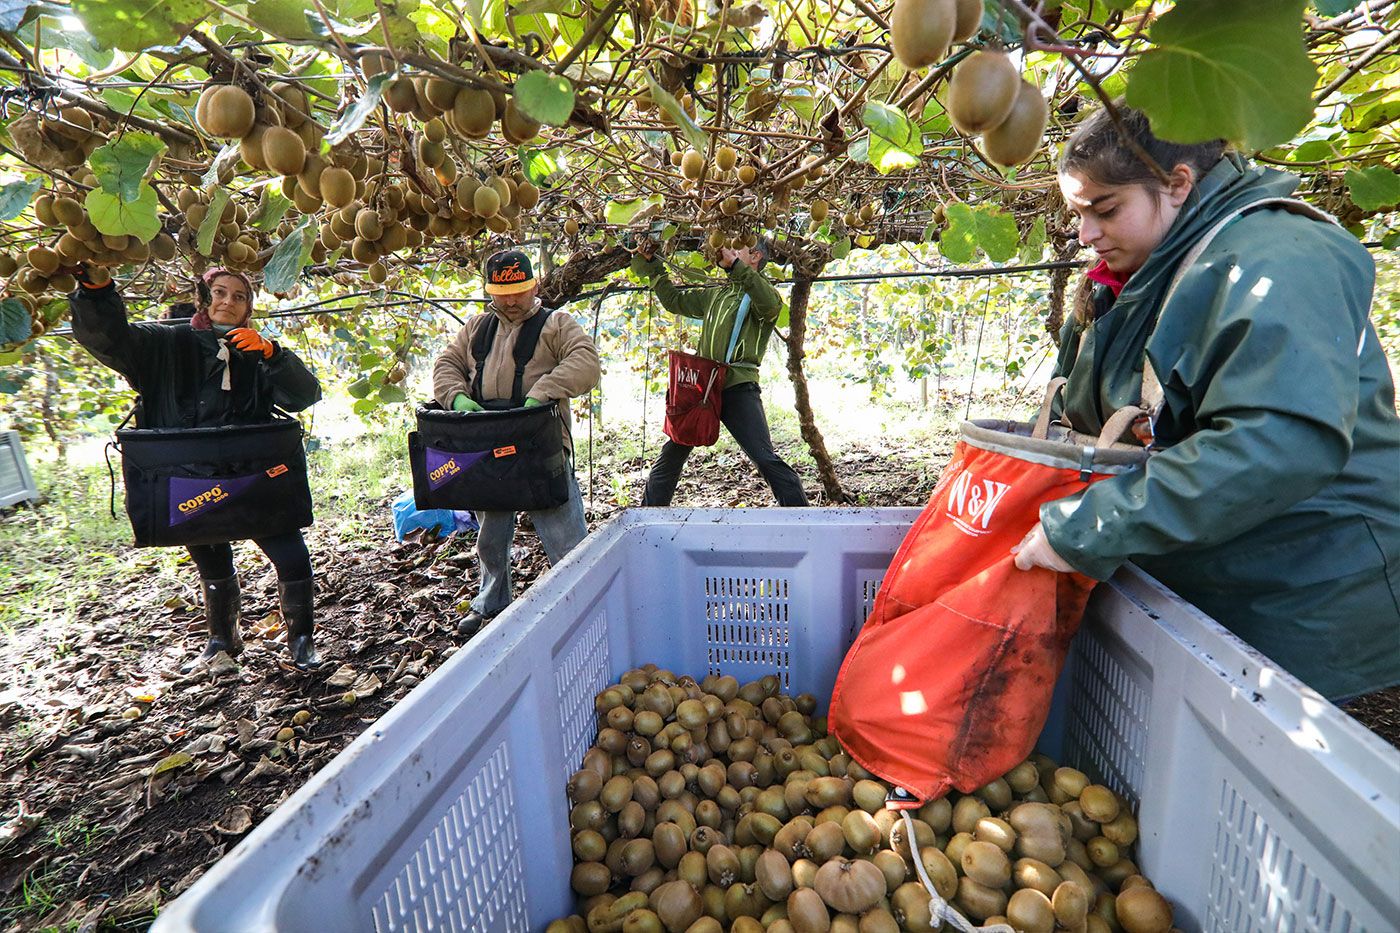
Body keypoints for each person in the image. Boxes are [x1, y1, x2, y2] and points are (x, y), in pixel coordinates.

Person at [1010, 104, 1400, 701]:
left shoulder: (1280, 262)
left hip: (1302, 584)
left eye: (1105, 210)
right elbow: (1092, 410)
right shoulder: (1136, 271)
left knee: (1265, 769)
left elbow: (1276, 446)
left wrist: (1095, 524)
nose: (1085, 235)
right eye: (1077, 214)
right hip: (1210, 565)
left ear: (1177, 184)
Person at [69, 266, 325, 672]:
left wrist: (274, 355)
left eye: (239, 296)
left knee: (290, 552)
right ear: (204, 299)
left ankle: (302, 640)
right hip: (187, 470)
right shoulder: (165, 342)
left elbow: (305, 395)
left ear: (247, 309)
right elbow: (110, 340)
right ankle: (223, 638)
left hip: (250, 470)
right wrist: (97, 290)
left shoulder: (257, 350)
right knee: (209, 554)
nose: (228, 301)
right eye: (219, 293)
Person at [432, 249, 601, 635]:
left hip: (540, 447)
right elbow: (445, 366)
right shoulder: (476, 328)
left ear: (535, 286)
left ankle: (582, 601)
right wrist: (457, 398)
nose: (510, 301)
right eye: (502, 293)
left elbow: (586, 363)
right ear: (489, 291)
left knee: (565, 533)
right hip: (488, 447)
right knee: (490, 535)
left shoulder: (557, 325)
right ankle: (491, 602)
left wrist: (542, 392)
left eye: (519, 292)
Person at [634, 239, 809, 507]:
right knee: (672, 453)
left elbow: (770, 304)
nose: (729, 249)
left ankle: (800, 517)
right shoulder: (717, 294)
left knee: (763, 457)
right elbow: (673, 301)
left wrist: (735, 266)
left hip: (737, 387)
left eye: (739, 248)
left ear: (755, 256)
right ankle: (648, 516)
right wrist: (652, 264)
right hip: (703, 387)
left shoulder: (764, 295)